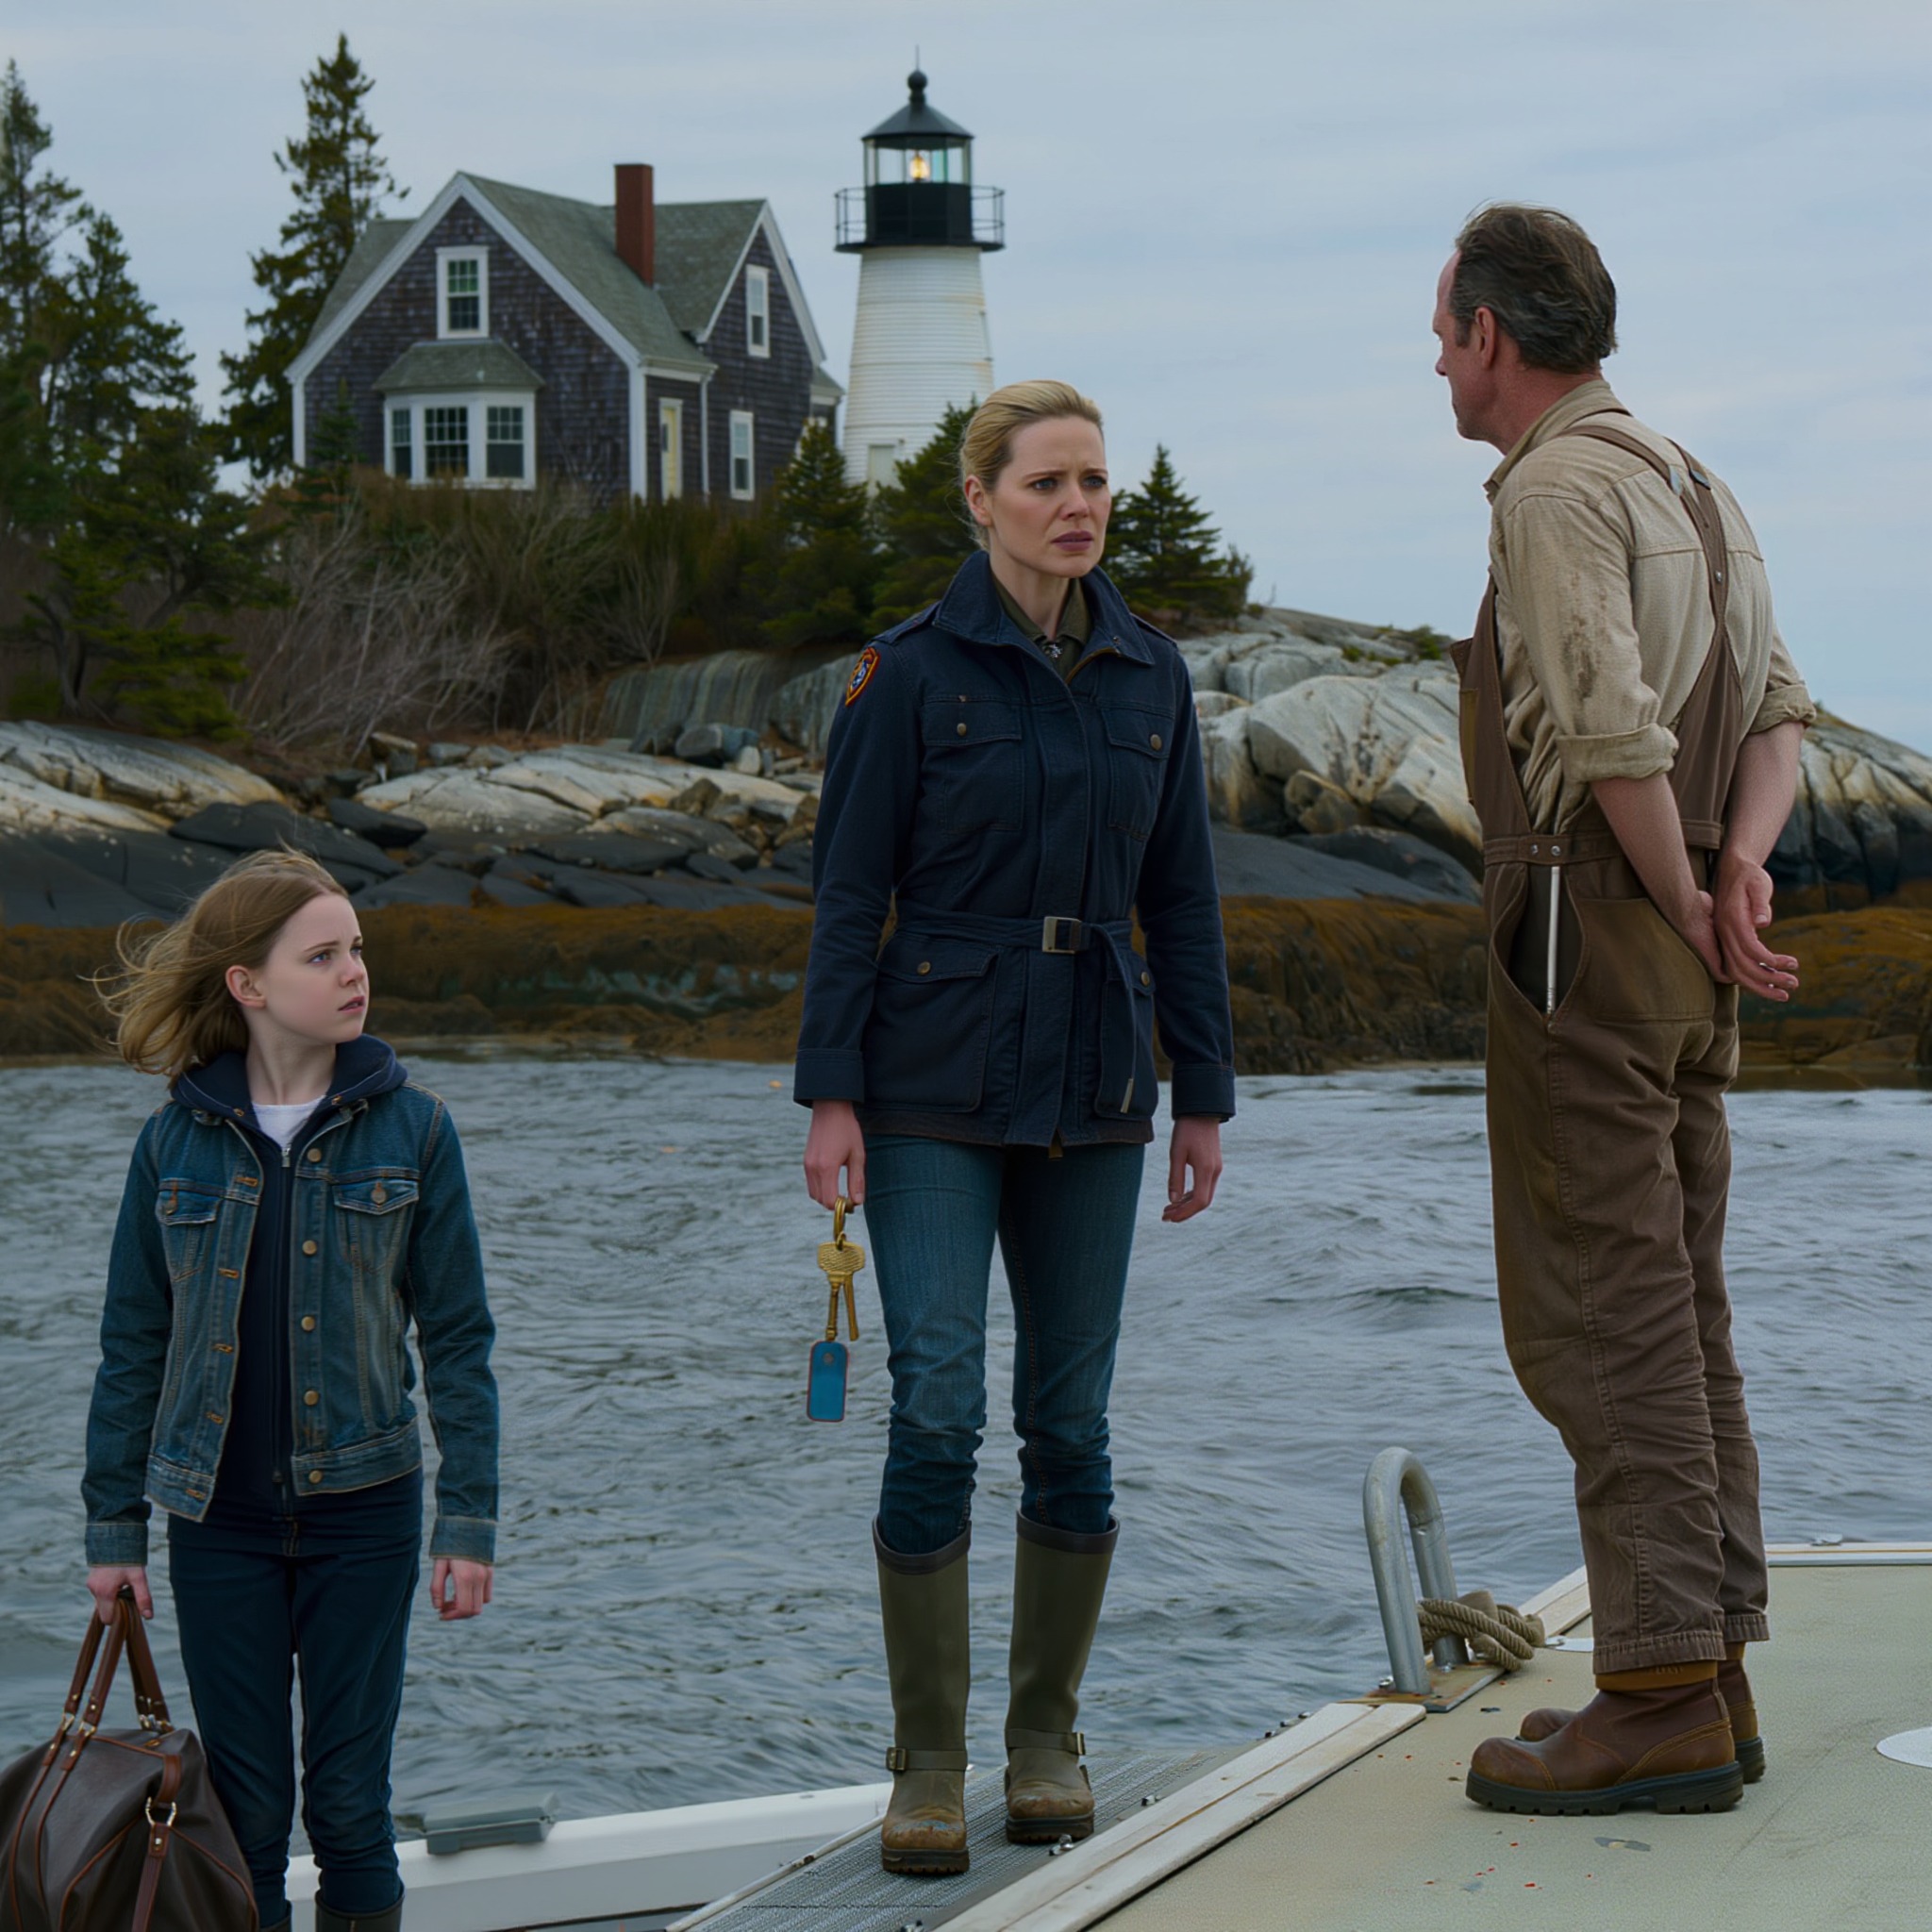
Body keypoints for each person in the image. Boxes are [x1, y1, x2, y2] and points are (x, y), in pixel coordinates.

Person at [796, 379, 1236, 1874]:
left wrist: (1206, 1097)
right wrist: (831, 1096)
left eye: (1094, 479)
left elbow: (1180, 896)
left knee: (1073, 1425)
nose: (1078, 504)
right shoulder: (907, 676)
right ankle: (926, 1762)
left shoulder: (1150, 676)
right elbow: (851, 895)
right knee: (933, 1409)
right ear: (977, 498)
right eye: (1046, 480)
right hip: (926, 1089)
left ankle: (1044, 1740)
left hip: (1101, 1091)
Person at [1430, 206, 1815, 1816]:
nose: (1433, 356)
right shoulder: (1692, 482)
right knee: (1682, 1299)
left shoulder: (1553, 489)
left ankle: (1651, 1687)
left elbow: (1603, 729)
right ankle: (1710, 1663)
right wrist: (1734, 875)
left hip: (1580, 934)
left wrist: (1669, 890)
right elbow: (1779, 713)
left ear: (1492, 338)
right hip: (1680, 947)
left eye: (1441, 326)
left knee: (1600, 1309)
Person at [83, 850, 499, 1932]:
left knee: (351, 1809)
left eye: (356, 947)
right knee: (249, 1814)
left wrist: (468, 1522)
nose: (354, 970)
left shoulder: (417, 1128)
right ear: (248, 984)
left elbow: (458, 1339)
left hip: (366, 1507)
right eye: (323, 954)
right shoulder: (171, 1143)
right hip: (213, 1519)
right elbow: (132, 1342)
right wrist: (113, 1527)